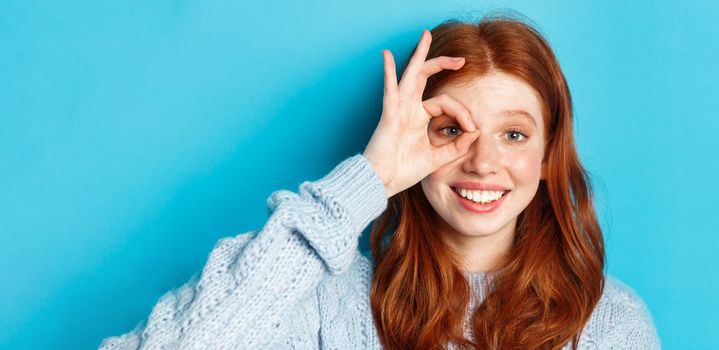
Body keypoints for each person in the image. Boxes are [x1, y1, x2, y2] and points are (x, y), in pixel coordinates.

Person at [99, 11, 659, 350]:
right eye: (450, 130)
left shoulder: (608, 323)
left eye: (513, 135)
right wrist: (369, 178)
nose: (483, 162)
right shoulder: (326, 301)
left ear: (546, 155)